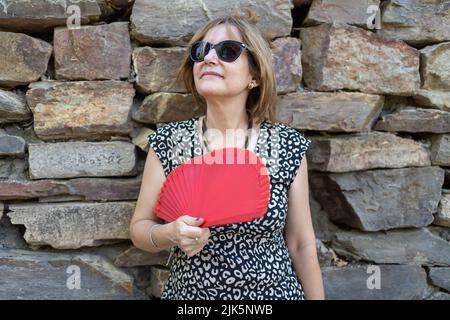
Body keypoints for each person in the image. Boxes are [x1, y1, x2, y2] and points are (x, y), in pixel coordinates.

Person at [129, 10, 324, 300]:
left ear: (255, 76)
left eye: (228, 51)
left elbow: (301, 244)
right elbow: (139, 228)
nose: (209, 58)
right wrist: (170, 233)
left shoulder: (286, 146)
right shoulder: (170, 142)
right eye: (201, 50)